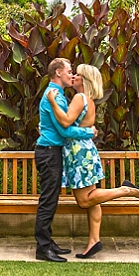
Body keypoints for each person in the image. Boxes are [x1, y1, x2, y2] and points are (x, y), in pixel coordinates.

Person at [46, 63, 139, 259]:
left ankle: (126, 190)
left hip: (79, 154)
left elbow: (65, 122)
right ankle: (94, 241)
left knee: (84, 200)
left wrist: (52, 102)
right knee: (93, 198)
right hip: (86, 152)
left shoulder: (79, 98)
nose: (73, 76)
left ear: (84, 80)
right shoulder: (88, 100)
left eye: (77, 74)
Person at [35, 58, 97, 262]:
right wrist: (89, 132)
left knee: (51, 199)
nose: (71, 75)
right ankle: (43, 248)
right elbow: (64, 130)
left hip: (52, 151)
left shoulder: (58, 95)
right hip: (49, 151)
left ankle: (47, 242)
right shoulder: (53, 96)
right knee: (48, 200)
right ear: (58, 72)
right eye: (69, 71)